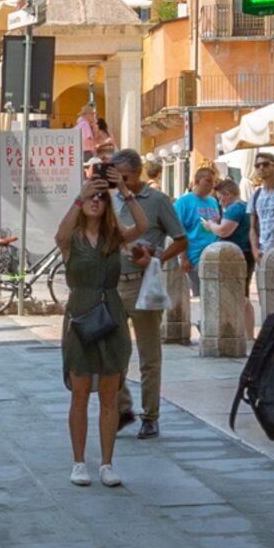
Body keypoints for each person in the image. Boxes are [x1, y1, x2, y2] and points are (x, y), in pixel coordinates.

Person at [55, 171, 129, 486]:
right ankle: (79, 463)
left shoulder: (115, 238)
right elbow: (59, 234)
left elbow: (140, 227)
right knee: (81, 392)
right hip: (81, 315)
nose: (95, 201)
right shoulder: (71, 240)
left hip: (111, 314)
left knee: (111, 393)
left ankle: (107, 464)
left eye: (101, 197)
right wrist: (79, 195)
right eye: (90, 197)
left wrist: (124, 190)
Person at [105, 150, 183, 439]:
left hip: (142, 282)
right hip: (113, 283)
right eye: (115, 175)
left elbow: (181, 239)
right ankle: (123, 408)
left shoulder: (158, 201)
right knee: (111, 353)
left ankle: (150, 416)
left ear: (136, 174)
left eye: (122, 176)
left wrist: (156, 258)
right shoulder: (110, 199)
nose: (118, 181)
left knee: (149, 355)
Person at [195, 168, 254, 359]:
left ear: (228, 194)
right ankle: (248, 334)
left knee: (240, 296)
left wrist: (211, 224)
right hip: (241, 253)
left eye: (221, 198)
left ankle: (244, 333)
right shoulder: (243, 206)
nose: (220, 202)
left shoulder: (236, 208)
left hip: (236, 255)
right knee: (242, 295)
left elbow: (224, 231)